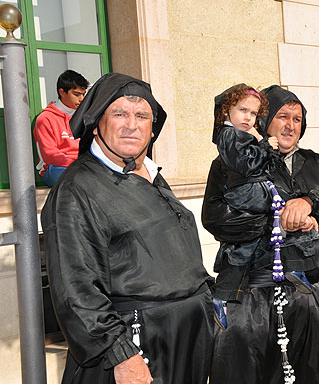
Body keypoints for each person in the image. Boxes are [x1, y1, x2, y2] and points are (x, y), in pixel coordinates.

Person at [42, 73, 215, 384]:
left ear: (152, 128)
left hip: (185, 341)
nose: (131, 125)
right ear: (96, 123)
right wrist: (121, 355)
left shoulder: (151, 175)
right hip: (134, 347)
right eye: (119, 113)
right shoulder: (77, 188)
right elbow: (75, 289)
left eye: (141, 116)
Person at [202, 85, 319, 384]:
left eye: (297, 119)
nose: (290, 125)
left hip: (305, 292)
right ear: (264, 120)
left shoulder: (316, 163)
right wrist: (277, 222)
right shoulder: (232, 163)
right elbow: (214, 218)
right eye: (283, 116)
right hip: (250, 295)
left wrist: (311, 202)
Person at [207, 84, 298, 320]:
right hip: (246, 193)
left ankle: (297, 269)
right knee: (276, 218)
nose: (248, 117)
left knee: (288, 213)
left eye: (254, 113)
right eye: (242, 110)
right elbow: (247, 165)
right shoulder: (228, 135)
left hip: (255, 188)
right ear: (226, 111)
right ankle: (223, 295)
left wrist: (264, 145)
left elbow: (264, 163)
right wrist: (264, 145)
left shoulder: (243, 136)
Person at [34, 70, 89, 186]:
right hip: (56, 169)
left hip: (83, 166)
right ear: (62, 92)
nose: (82, 99)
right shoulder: (45, 119)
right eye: (77, 94)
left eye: (84, 94)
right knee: (76, 177)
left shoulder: (86, 117)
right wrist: (78, 164)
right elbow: (50, 155)